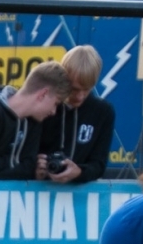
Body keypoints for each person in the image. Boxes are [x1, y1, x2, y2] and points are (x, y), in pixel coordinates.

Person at [0, 61, 71, 181]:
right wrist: (14, 162)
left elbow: (29, 168)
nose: (53, 111)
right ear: (43, 94)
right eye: (55, 103)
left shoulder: (34, 124)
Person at [35, 46, 115, 184]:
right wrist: (35, 167)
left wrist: (79, 172)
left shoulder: (103, 112)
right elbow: (25, 154)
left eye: (87, 89)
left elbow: (99, 164)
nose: (80, 96)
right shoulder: (43, 106)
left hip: (79, 197)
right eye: (74, 89)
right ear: (64, 79)